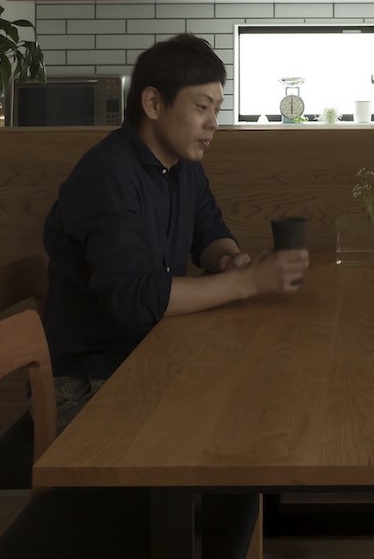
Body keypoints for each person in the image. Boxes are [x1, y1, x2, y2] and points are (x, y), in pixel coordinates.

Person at [42, 33, 309, 426]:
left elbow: (209, 233)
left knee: (260, 397)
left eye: (216, 109)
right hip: (88, 380)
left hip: (149, 349)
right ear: (153, 103)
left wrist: (229, 260)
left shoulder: (184, 167)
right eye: (202, 107)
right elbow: (134, 297)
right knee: (229, 419)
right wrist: (249, 282)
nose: (213, 123)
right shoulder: (107, 174)